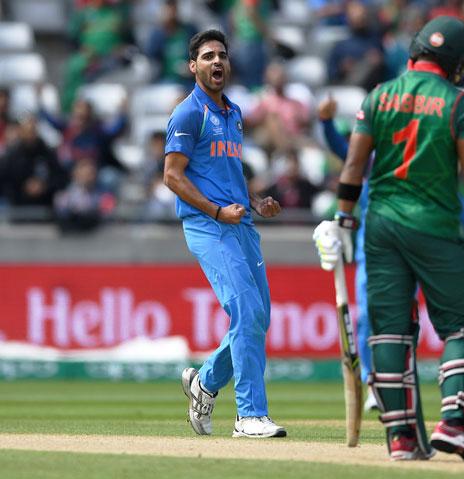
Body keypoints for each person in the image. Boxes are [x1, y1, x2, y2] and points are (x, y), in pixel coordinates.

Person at [313, 17, 464, 461]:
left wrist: (339, 220)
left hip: (379, 227)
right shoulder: (458, 103)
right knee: (462, 326)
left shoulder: (377, 96)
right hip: (432, 226)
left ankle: (402, 439)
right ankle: (454, 425)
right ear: (457, 64)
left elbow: (351, 168)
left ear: (415, 52)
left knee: (388, 333)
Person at [317, 93, 464, 412]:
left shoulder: (419, 167)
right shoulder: (371, 166)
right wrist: (326, 121)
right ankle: (373, 383)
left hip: (411, 249)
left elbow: (457, 201)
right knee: (369, 315)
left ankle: (396, 380)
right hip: (373, 251)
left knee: (402, 320)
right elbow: (346, 153)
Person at [163, 29, 285, 438]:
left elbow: (225, 175)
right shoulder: (187, 113)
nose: (218, 62)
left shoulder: (232, 113)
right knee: (246, 314)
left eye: (223, 55)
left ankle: (205, 383)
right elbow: (172, 177)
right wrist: (216, 210)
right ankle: (249, 415)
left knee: (259, 317)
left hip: (241, 224)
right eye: (209, 56)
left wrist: (254, 201)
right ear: (193, 66)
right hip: (208, 226)